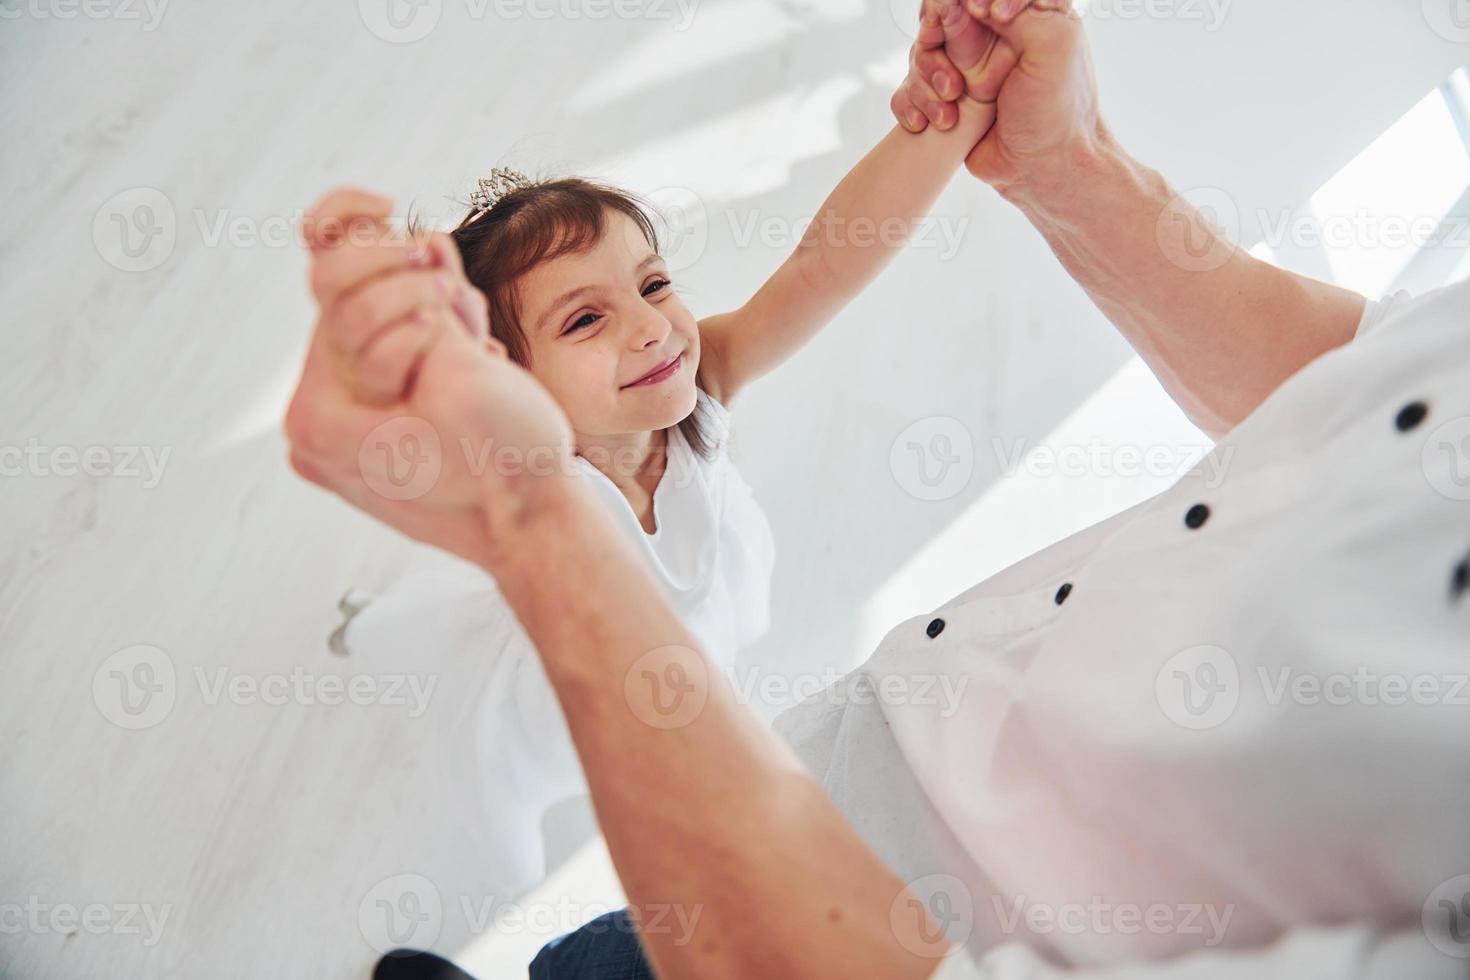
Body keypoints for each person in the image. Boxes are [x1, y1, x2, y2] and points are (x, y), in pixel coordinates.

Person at [285, 2, 1470, 977]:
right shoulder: (534, 461)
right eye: (586, 318)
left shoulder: (697, 390)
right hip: (595, 695)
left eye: (653, 283)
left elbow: (825, 260)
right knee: (616, 946)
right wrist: (417, 364)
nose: (654, 329)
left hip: (825, 834)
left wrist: (940, 133)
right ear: (509, 377)